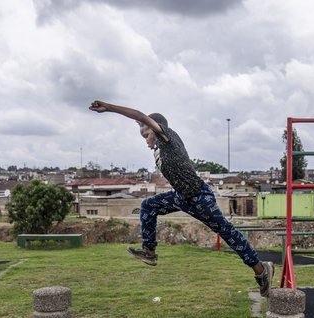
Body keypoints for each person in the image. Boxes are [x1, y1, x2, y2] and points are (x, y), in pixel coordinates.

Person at [89, 100, 274, 296]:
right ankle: (149, 253)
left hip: (199, 196)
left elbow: (141, 117)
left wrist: (110, 108)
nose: (145, 140)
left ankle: (261, 270)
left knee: (227, 232)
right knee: (148, 206)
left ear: (157, 128)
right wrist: (141, 126)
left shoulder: (167, 137)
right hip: (181, 196)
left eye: (146, 134)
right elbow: (142, 123)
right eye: (143, 136)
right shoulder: (159, 150)